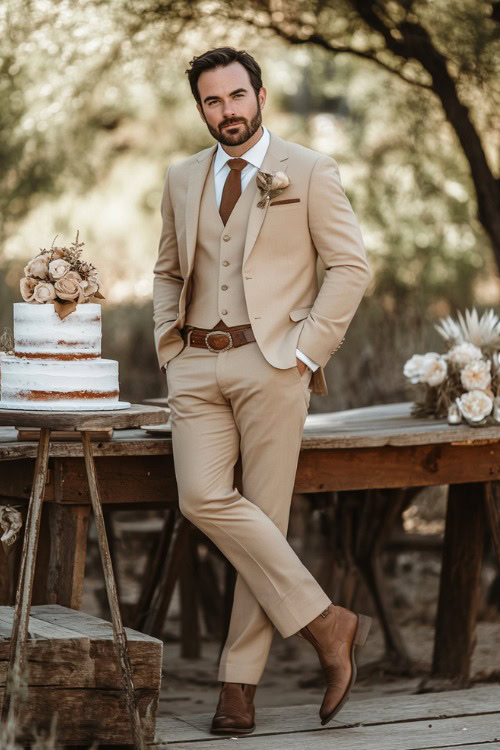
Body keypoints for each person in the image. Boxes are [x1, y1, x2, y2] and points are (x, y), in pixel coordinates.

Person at [153, 46, 372, 736]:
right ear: (201, 108)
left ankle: (237, 686)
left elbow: (349, 266)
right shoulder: (183, 177)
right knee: (203, 498)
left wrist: (307, 351)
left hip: (274, 362)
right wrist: (169, 344)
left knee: (264, 521)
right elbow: (166, 268)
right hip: (196, 363)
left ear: (261, 96)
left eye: (237, 97)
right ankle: (327, 623)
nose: (228, 112)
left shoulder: (307, 169)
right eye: (213, 102)